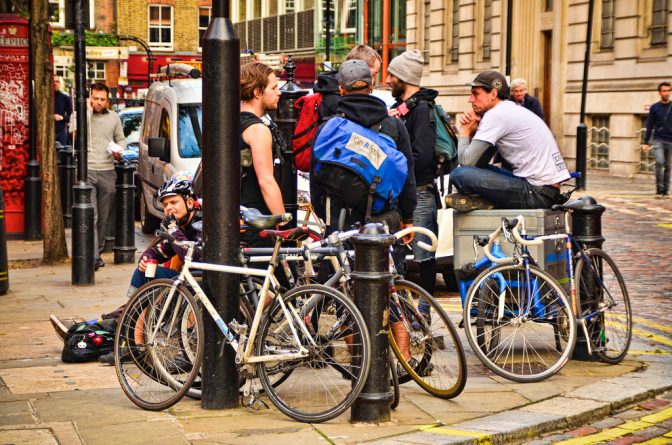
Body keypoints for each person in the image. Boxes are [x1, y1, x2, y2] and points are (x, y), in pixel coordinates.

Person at [50, 177, 202, 362]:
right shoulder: (179, 226)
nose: (169, 208)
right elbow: (161, 250)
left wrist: (172, 232)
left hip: (201, 285)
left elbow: (194, 257)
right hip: (184, 283)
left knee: (151, 291)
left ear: (189, 202)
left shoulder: (199, 224)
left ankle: (110, 330)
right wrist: (148, 258)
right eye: (166, 204)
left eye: (174, 202)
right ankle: (130, 341)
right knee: (144, 274)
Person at [310, 59, 417, 238]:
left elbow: (316, 177)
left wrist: (324, 213)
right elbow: (407, 177)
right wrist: (407, 217)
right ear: (371, 87)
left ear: (341, 89)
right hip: (382, 219)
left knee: (341, 264)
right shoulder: (394, 126)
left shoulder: (329, 128)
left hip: (339, 219)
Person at [446, 70, 570, 211]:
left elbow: (466, 163)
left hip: (537, 193)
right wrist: (476, 133)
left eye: (476, 94)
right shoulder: (508, 110)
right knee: (477, 170)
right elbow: (477, 163)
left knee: (459, 174)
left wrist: (464, 132)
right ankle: (483, 201)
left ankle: (484, 202)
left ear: (493, 94)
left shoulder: (496, 115)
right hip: (546, 190)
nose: (470, 100)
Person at [386, 49, 439, 298]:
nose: (387, 81)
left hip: (420, 193)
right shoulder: (400, 108)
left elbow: (422, 155)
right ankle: (406, 317)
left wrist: (394, 168)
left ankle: (424, 317)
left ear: (403, 78)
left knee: (424, 256)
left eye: (391, 75)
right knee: (397, 257)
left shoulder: (422, 110)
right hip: (401, 192)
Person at [240, 62, 286, 247]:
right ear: (257, 93)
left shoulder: (231, 121)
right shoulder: (257, 129)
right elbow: (266, 181)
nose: (279, 92)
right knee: (281, 276)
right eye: (273, 87)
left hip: (239, 216)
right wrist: (283, 220)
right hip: (257, 221)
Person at [86, 83, 126, 269]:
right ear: (90, 98)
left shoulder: (114, 118)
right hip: (87, 170)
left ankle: (98, 251)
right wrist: (86, 110)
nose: (99, 102)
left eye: (102, 99)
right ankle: (93, 257)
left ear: (107, 100)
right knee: (92, 216)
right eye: (95, 98)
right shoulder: (82, 113)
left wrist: (120, 151)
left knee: (103, 217)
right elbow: (74, 132)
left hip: (107, 170)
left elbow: (120, 138)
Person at [643, 81, 672, 198]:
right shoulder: (655, 107)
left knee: (668, 166)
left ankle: (666, 191)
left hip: (671, 140)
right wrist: (645, 142)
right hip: (658, 139)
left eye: (669, 90)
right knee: (660, 162)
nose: (667, 93)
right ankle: (659, 191)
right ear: (660, 93)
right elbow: (649, 125)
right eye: (664, 91)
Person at [54, 76, 73, 147]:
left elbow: (71, 117)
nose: (55, 83)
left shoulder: (65, 98)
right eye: (53, 81)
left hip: (60, 133)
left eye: (57, 81)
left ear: (60, 84)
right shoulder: (44, 98)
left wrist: (61, 118)